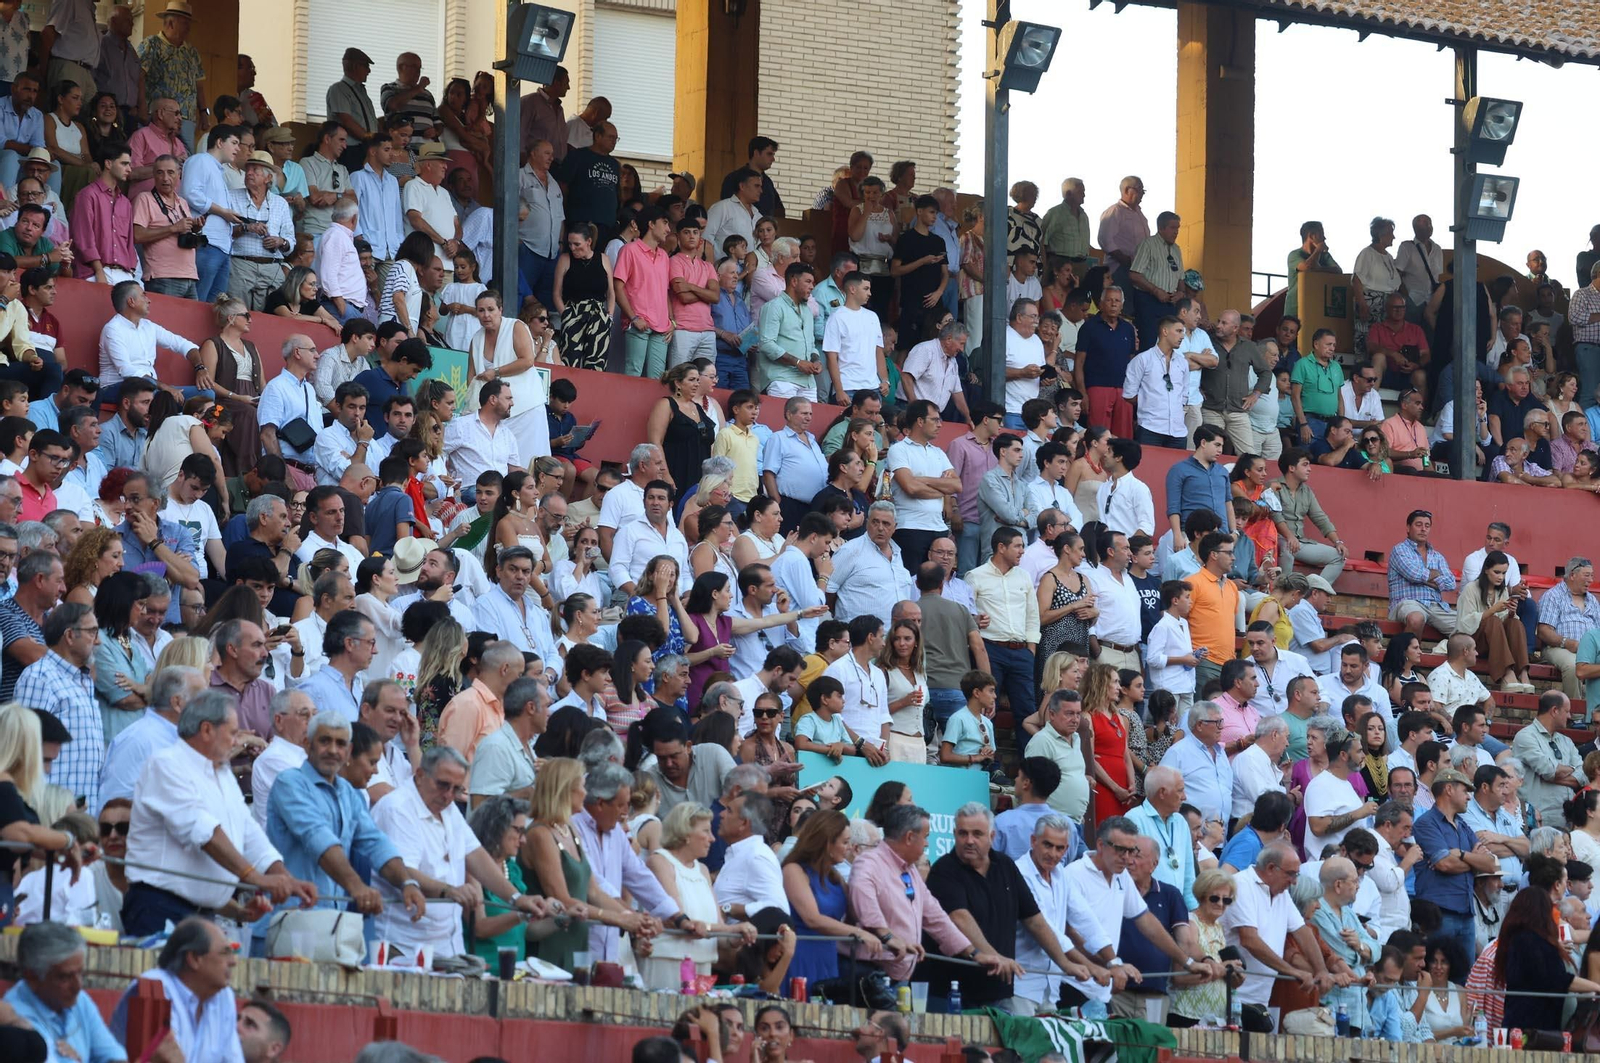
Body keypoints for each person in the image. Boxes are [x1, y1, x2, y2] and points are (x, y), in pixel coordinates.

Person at [121, 689, 316, 935]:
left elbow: (249, 832)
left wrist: (285, 878)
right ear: (206, 730)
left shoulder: (222, 773)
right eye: (233, 733)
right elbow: (204, 832)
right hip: (158, 907)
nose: (236, 742)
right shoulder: (166, 764)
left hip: (204, 913)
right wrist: (254, 877)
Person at [6, 920, 125, 1061]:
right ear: (31, 976)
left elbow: (115, 1057)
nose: (78, 986)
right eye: (65, 977)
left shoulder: (79, 1000)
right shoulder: (16, 1017)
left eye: (81, 973)